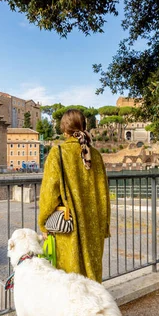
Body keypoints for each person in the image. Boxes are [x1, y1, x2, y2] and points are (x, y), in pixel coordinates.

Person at [38, 109, 110, 282]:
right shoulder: (96, 156)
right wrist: (105, 225)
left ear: (64, 130)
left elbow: (49, 193)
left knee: (71, 281)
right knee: (92, 277)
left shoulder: (58, 153)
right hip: (95, 225)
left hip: (69, 228)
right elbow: (104, 193)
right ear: (84, 127)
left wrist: (43, 223)